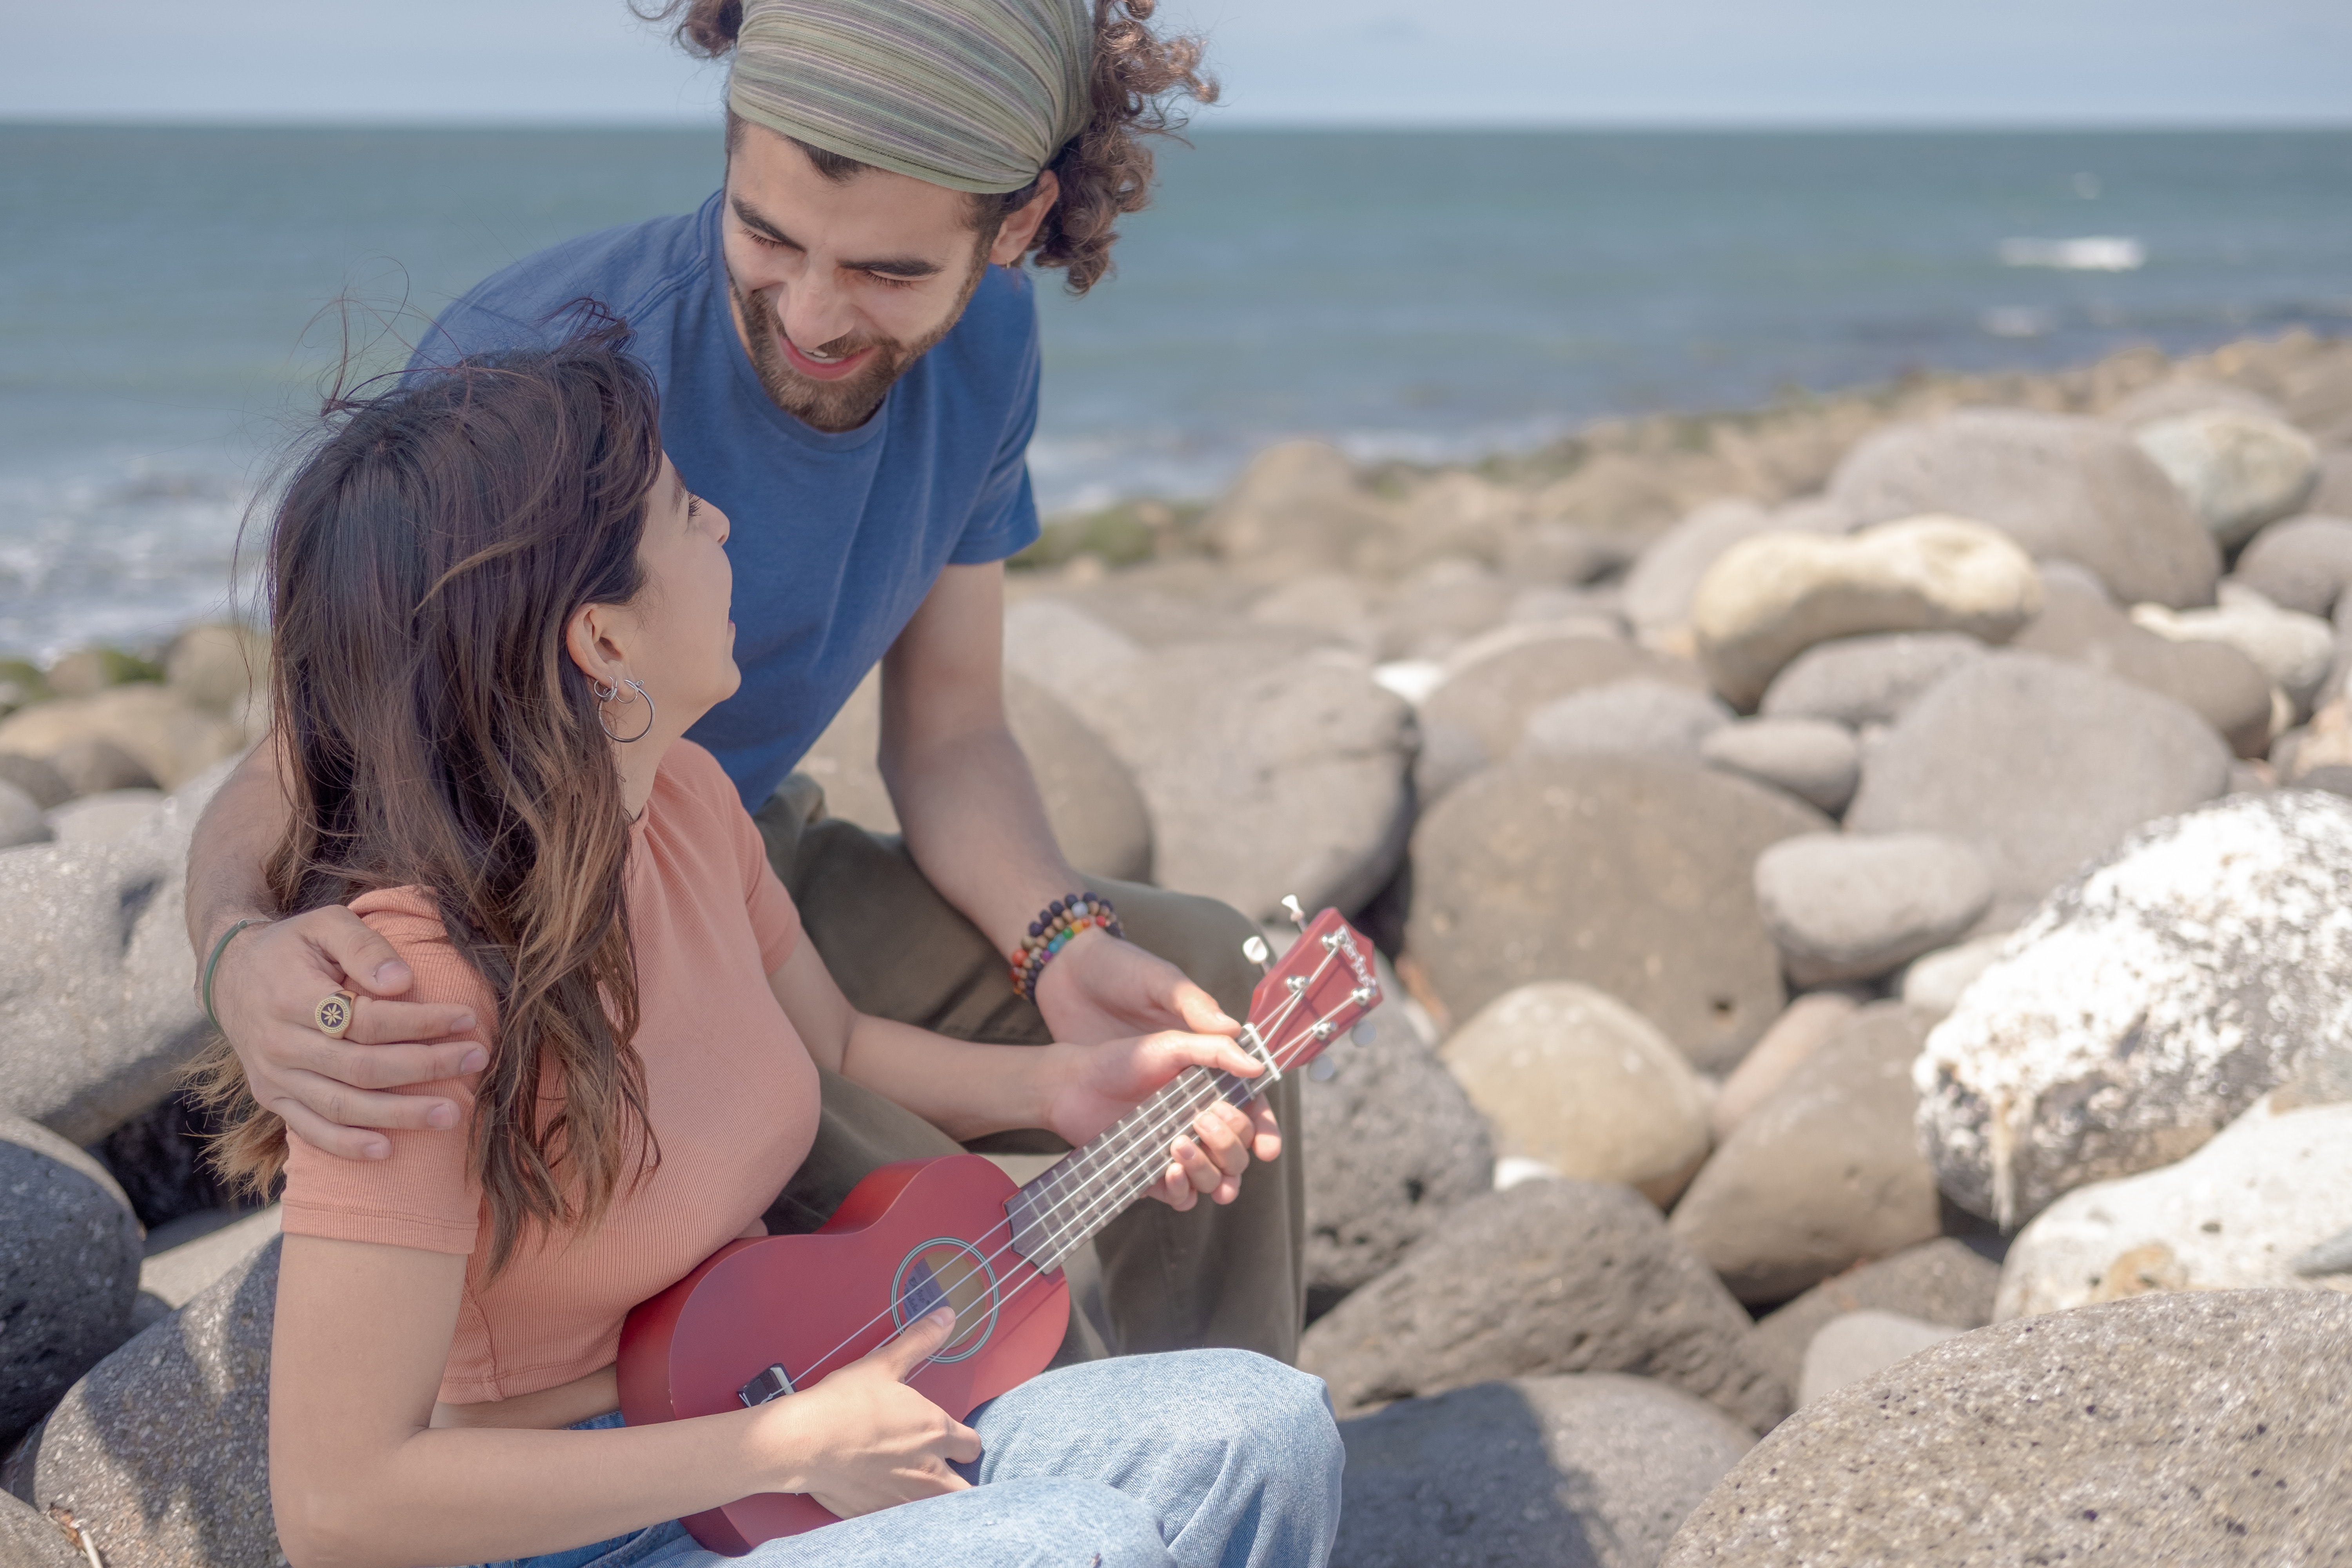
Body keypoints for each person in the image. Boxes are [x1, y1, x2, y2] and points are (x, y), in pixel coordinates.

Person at [185, 0, 1307, 1367]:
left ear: (1011, 230)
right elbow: (304, 762)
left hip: (740, 851)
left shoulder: (993, 343)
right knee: (970, 1272)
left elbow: (952, 736)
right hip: (567, 955)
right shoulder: (542, 381)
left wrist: (1061, 948)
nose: (817, 313)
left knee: (1215, 992)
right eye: (767, 235)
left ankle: (1226, 1433)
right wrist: (239, 958)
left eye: (890, 271)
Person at [199, 329, 1340, 1568]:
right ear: (603, 644)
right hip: (571, 1530)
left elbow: (838, 1042)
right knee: (1064, 1544)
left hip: (777, 1434)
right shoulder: (411, 998)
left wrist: (1070, 1090)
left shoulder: (683, 806)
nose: (727, 529)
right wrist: (783, 1451)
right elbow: (338, 1510)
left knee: (1262, 1424)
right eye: (686, 511)